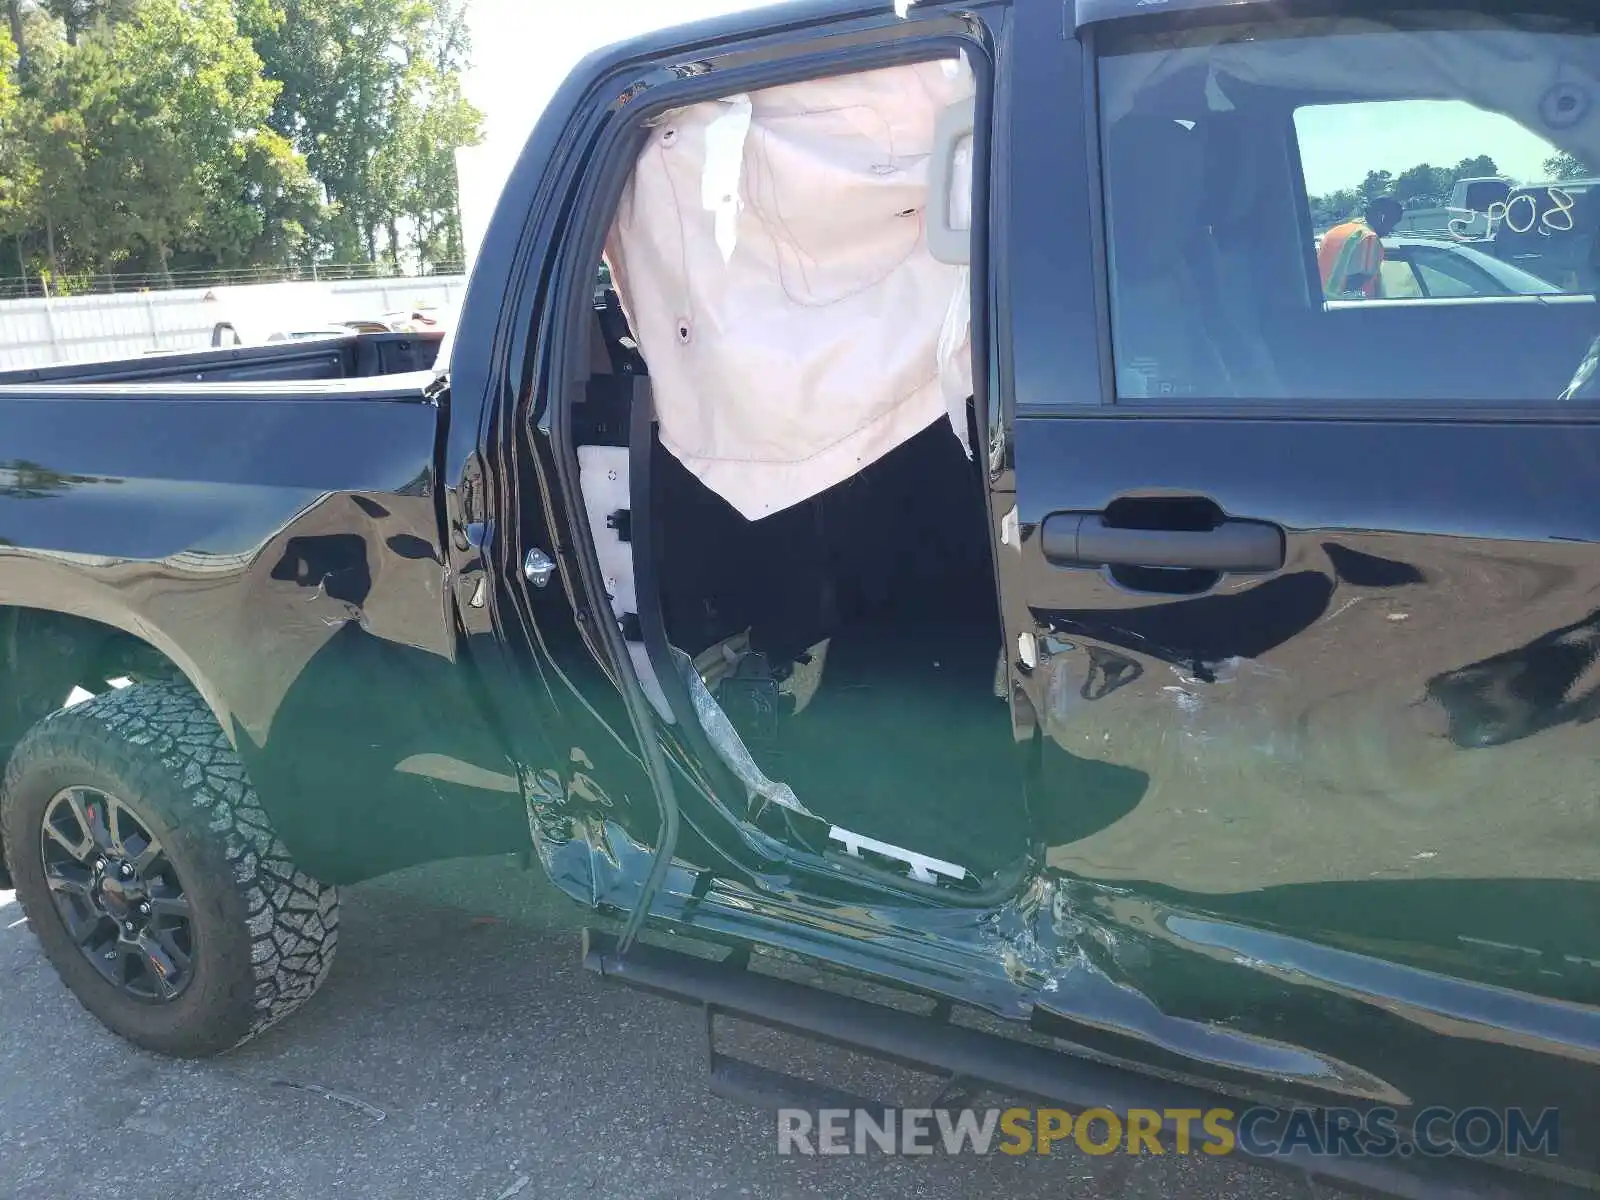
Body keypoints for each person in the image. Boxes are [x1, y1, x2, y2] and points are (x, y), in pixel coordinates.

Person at [1318, 196, 1403, 298]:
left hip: (1324, 302)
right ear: (1382, 217)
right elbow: (1357, 281)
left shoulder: (1337, 231)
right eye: (1391, 223)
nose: (1389, 230)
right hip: (1350, 308)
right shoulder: (1369, 237)